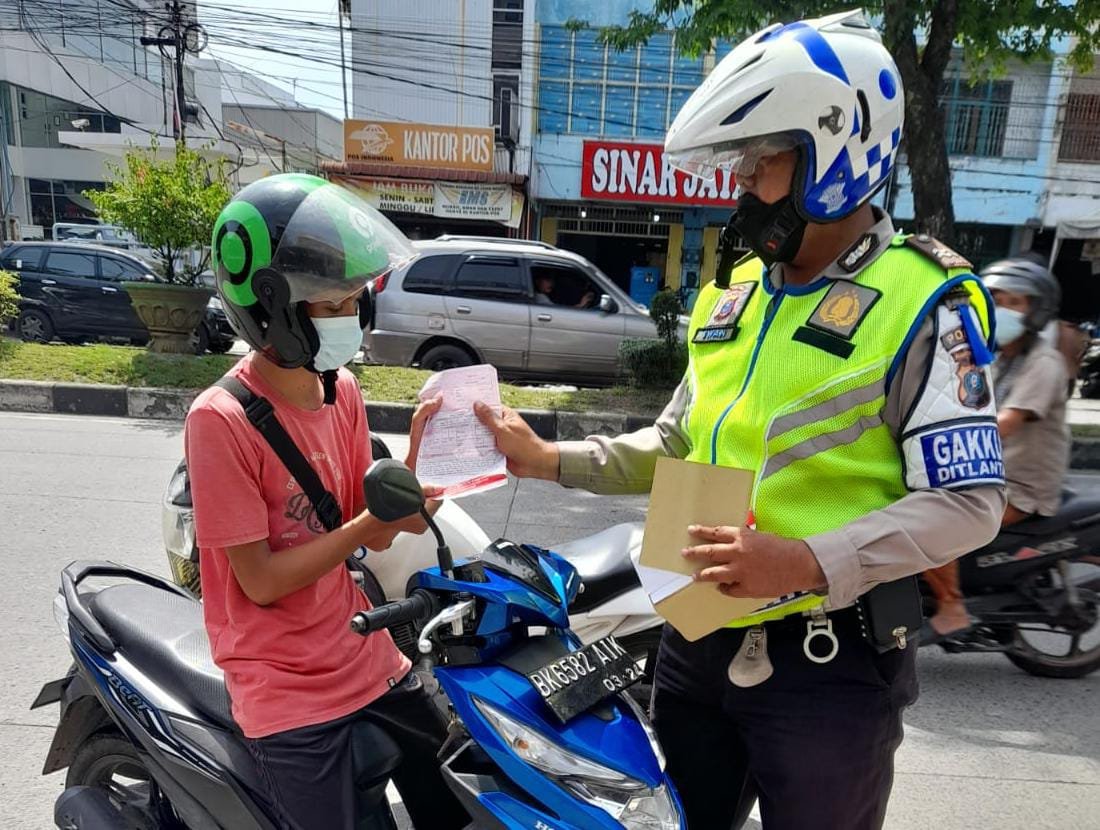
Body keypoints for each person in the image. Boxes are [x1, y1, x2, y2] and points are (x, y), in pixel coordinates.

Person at [474, 11, 1005, 829]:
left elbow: (971, 505)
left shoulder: (922, 301)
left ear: (837, 151)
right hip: (695, 635)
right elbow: (680, 444)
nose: (741, 183)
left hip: (830, 668)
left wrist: (803, 560)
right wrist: (546, 458)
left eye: (762, 161)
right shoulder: (738, 296)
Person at [184, 174, 467, 830]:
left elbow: (370, 536)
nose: (350, 320)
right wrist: (371, 521)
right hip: (282, 685)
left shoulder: (341, 393)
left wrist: (416, 474)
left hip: (361, 648)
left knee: (459, 792)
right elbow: (258, 582)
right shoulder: (220, 419)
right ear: (272, 306)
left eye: (353, 303)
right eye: (331, 305)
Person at [924, 258, 1070, 638]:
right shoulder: (995, 356)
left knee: (933, 526)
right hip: (988, 473)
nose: (1001, 309)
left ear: (1037, 311)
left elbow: (1005, 424)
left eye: (1014, 302)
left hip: (1020, 484)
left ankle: (952, 605)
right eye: (994, 299)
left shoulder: (1045, 362)